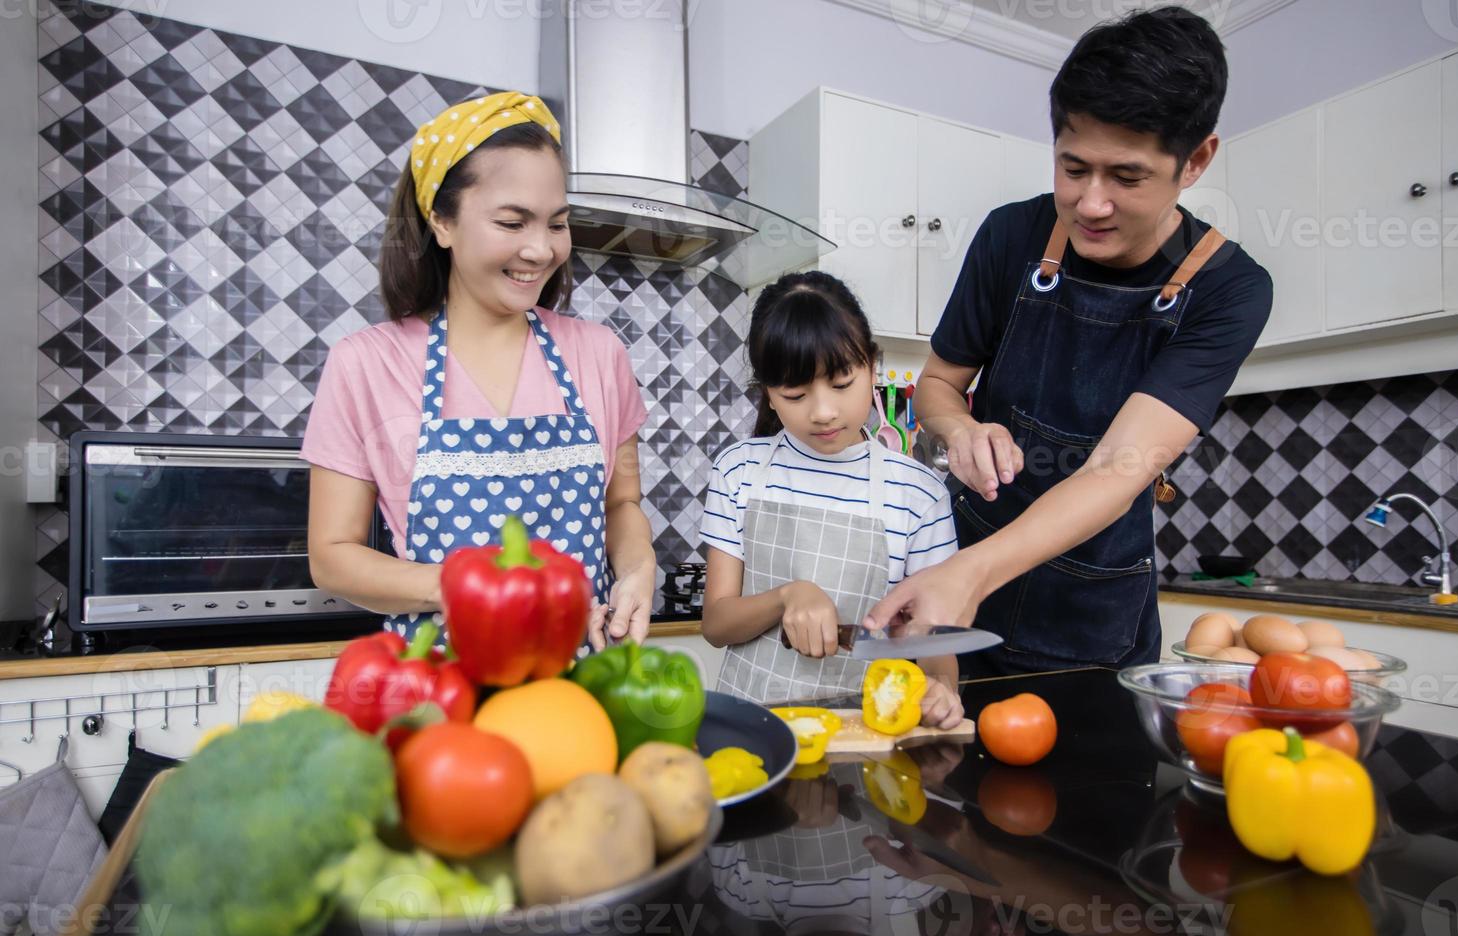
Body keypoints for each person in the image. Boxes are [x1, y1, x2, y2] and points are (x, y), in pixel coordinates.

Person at [865, 7, 1272, 674]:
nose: (1090, 202)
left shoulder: (1230, 290)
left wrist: (974, 572)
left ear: (1195, 160)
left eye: (1127, 176)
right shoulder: (1010, 237)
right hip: (960, 593)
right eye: (1073, 167)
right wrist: (961, 430)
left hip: (1093, 616)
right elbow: (937, 385)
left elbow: (1120, 469)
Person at [303, 92, 655, 649]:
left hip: (585, 677)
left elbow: (622, 504)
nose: (541, 249)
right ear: (442, 222)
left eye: (557, 224)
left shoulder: (600, 354)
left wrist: (638, 570)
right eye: (512, 222)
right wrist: (470, 588)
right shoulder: (367, 363)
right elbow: (332, 556)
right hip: (444, 685)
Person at [700, 271, 964, 726]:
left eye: (842, 383)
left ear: (873, 366)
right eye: (796, 394)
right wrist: (786, 597)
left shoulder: (920, 494)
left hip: (869, 734)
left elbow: (934, 643)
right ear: (769, 393)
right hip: (753, 726)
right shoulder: (738, 469)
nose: (822, 412)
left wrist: (941, 691)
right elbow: (717, 625)